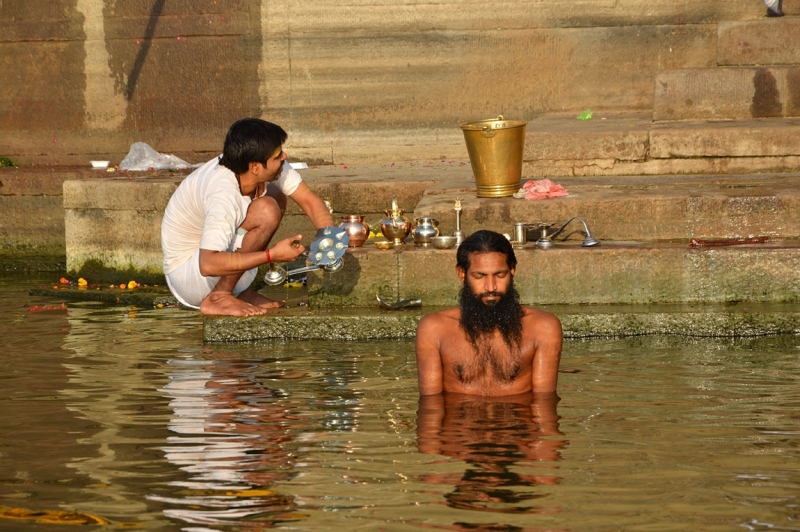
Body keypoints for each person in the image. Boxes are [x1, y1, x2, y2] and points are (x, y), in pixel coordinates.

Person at [161, 118, 334, 316]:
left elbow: (308, 200)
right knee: (266, 210)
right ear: (254, 167)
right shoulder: (223, 194)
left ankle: (241, 291)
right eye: (278, 155)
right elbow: (207, 264)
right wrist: (272, 256)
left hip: (212, 263)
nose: (284, 157)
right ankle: (219, 297)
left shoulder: (263, 164)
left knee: (276, 194)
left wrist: (329, 239)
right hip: (190, 277)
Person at [415, 230, 562, 396]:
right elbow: (431, 406)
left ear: (512, 271)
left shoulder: (544, 327)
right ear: (462, 274)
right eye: (480, 276)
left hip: (518, 422)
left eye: (500, 275)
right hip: (459, 421)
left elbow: (544, 404)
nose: (491, 287)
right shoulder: (433, 329)